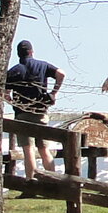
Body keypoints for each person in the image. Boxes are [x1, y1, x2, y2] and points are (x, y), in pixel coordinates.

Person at [6, 40, 66, 175]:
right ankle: (53, 182)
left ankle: (31, 183)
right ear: (31, 52)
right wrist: (53, 93)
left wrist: (12, 102)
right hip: (41, 112)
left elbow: (4, 92)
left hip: (23, 113)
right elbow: (61, 74)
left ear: (18, 54)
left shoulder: (15, 70)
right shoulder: (42, 65)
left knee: (28, 150)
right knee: (44, 150)